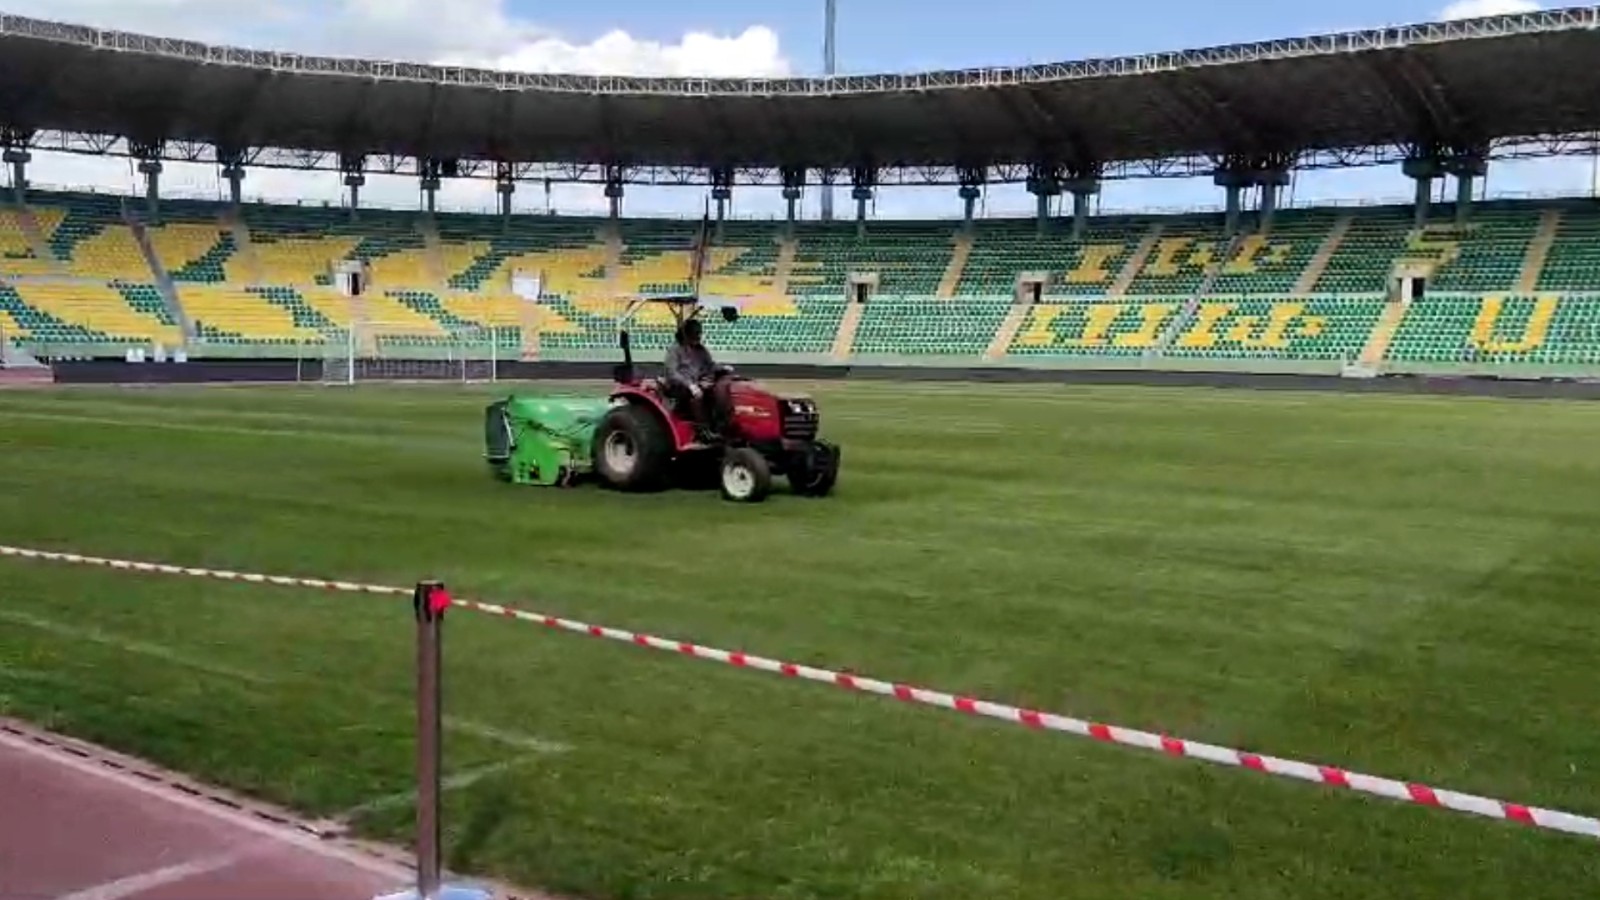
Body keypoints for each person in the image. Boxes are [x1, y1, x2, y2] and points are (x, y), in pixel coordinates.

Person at [663, 318, 731, 436]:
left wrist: (722, 368)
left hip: (696, 382)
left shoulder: (700, 350)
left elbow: (710, 365)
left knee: (717, 391)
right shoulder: (675, 350)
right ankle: (702, 428)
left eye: (699, 333)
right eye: (696, 333)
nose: (699, 336)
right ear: (687, 333)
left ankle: (719, 425)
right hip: (678, 386)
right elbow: (672, 373)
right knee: (698, 395)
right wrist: (690, 385)